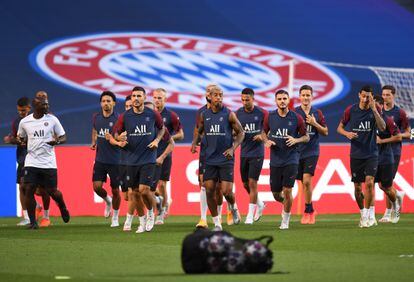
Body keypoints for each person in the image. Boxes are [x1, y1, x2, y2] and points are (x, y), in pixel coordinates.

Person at [191, 85, 244, 231]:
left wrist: (233, 149)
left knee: (226, 191)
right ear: (210, 97)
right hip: (210, 159)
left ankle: (233, 206)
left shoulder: (229, 114)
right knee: (209, 190)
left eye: (221, 95)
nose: (219, 97)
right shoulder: (204, 115)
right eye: (216, 95)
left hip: (226, 158)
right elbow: (199, 130)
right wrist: (194, 143)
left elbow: (241, 133)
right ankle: (217, 223)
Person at [113, 86, 165, 233]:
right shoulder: (125, 116)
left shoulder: (153, 114)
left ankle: (150, 213)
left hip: (148, 157)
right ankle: (141, 222)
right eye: (134, 96)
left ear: (144, 97)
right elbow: (115, 133)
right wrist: (119, 138)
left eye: (139, 96)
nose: (136, 98)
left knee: (144, 190)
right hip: (131, 159)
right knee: (134, 193)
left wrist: (157, 140)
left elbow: (161, 129)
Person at [17, 96, 70, 229]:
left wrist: (57, 141)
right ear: (36, 106)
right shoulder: (25, 122)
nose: (47, 107)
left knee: (52, 191)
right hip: (32, 161)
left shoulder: (52, 120)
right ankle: (33, 222)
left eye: (47, 104)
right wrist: (19, 140)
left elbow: (63, 136)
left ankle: (62, 206)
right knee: (28, 189)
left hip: (48, 162)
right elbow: (21, 137)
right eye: (44, 105)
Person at [337, 85, 386, 228]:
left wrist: (374, 109)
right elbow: (339, 128)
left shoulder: (375, 108)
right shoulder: (351, 110)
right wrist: (347, 134)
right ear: (359, 95)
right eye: (363, 96)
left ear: (371, 97)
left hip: (372, 153)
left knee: (370, 183)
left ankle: (371, 214)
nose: (365, 99)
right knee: (358, 188)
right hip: (356, 154)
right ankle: (363, 214)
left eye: (368, 97)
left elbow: (382, 127)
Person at [262, 89, 309, 230]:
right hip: (276, 160)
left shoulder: (296, 118)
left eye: (284, 98)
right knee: (276, 194)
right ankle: (285, 205)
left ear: (288, 100)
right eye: (279, 99)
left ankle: (285, 220)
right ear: (276, 101)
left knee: (288, 191)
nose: (282, 101)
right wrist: (266, 141)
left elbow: (306, 137)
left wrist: (296, 140)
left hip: (291, 159)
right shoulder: (270, 117)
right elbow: (263, 133)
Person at [191, 83, 225, 229]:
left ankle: (220, 213)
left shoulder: (225, 112)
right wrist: (195, 143)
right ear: (207, 95)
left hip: (220, 153)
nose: (212, 94)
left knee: (219, 188)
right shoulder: (201, 112)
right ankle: (203, 218)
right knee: (203, 184)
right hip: (205, 152)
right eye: (209, 91)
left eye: (215, 92)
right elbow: (197, 130)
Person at [294, 85, 328, 224]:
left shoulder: (317, 113)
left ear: (312, 97)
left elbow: (325, 132)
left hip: (312, 151)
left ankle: (308, 211)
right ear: (300, 97)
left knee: (307, 181)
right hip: (297, 152)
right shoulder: (294, 113)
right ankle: (311, 207)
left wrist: (314, 123)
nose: (306, 98)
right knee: (302, 182)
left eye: (308, 95)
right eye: (303, 95)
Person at [235, 88, 267, 224]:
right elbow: (235, 131)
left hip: (257, 153)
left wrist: (262, 136)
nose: (244, 102)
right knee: (245, 184)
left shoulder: (262, 113)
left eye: (247, 99)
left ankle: (249, 215)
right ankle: (260, 203)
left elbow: (271, 129)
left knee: (253, 183)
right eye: (242, 99)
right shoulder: (238, 113)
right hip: (244, 153)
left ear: (253, 99)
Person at [152, 88, 184, 223]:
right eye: (155, 97)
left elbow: (181, 135)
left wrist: (167, 137)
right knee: (148, 187)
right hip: (149, 154)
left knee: (162, 185)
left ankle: (162, 210)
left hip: (165, 154)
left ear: (165, 99)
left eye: (160, 98)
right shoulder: (148, 115)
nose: (157, 100)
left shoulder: (171, 116)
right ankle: (160, 201)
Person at [379, 85, 410, 222]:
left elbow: (409, 133)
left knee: (386, 183)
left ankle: (389, 213)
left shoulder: (400, 113)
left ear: (394, 96)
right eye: (383, 95)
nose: (385, 97)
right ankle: (398, 195)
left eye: (388, 95)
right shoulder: (378, 112)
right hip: (380, 151)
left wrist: (396, 135)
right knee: (382, 184)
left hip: (394, 151)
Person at [90, 91, 121, 227]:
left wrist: (114, 139)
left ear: (114, 103)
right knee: (96, 187)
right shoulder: (96, 117)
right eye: (103, 101)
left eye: (109, 101)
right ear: (100, 103)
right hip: (100, 159)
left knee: (115, 190)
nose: (106, 103)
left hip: (116, 160)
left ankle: (115, 216)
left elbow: (122, 137)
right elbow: (95, 130)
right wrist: (94, 141)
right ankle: (107, 200)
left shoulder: (119, 119)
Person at [373, 95, 402, 223]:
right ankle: (369, 215)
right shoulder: (368, 120)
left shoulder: (388, 120)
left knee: (387, 187)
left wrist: (382, 141)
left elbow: (398, 137)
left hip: (385, 157)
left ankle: (396, 204)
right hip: (372, 158)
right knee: (378, 185)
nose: (372, 107)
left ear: (380, 106)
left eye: (375, 105)